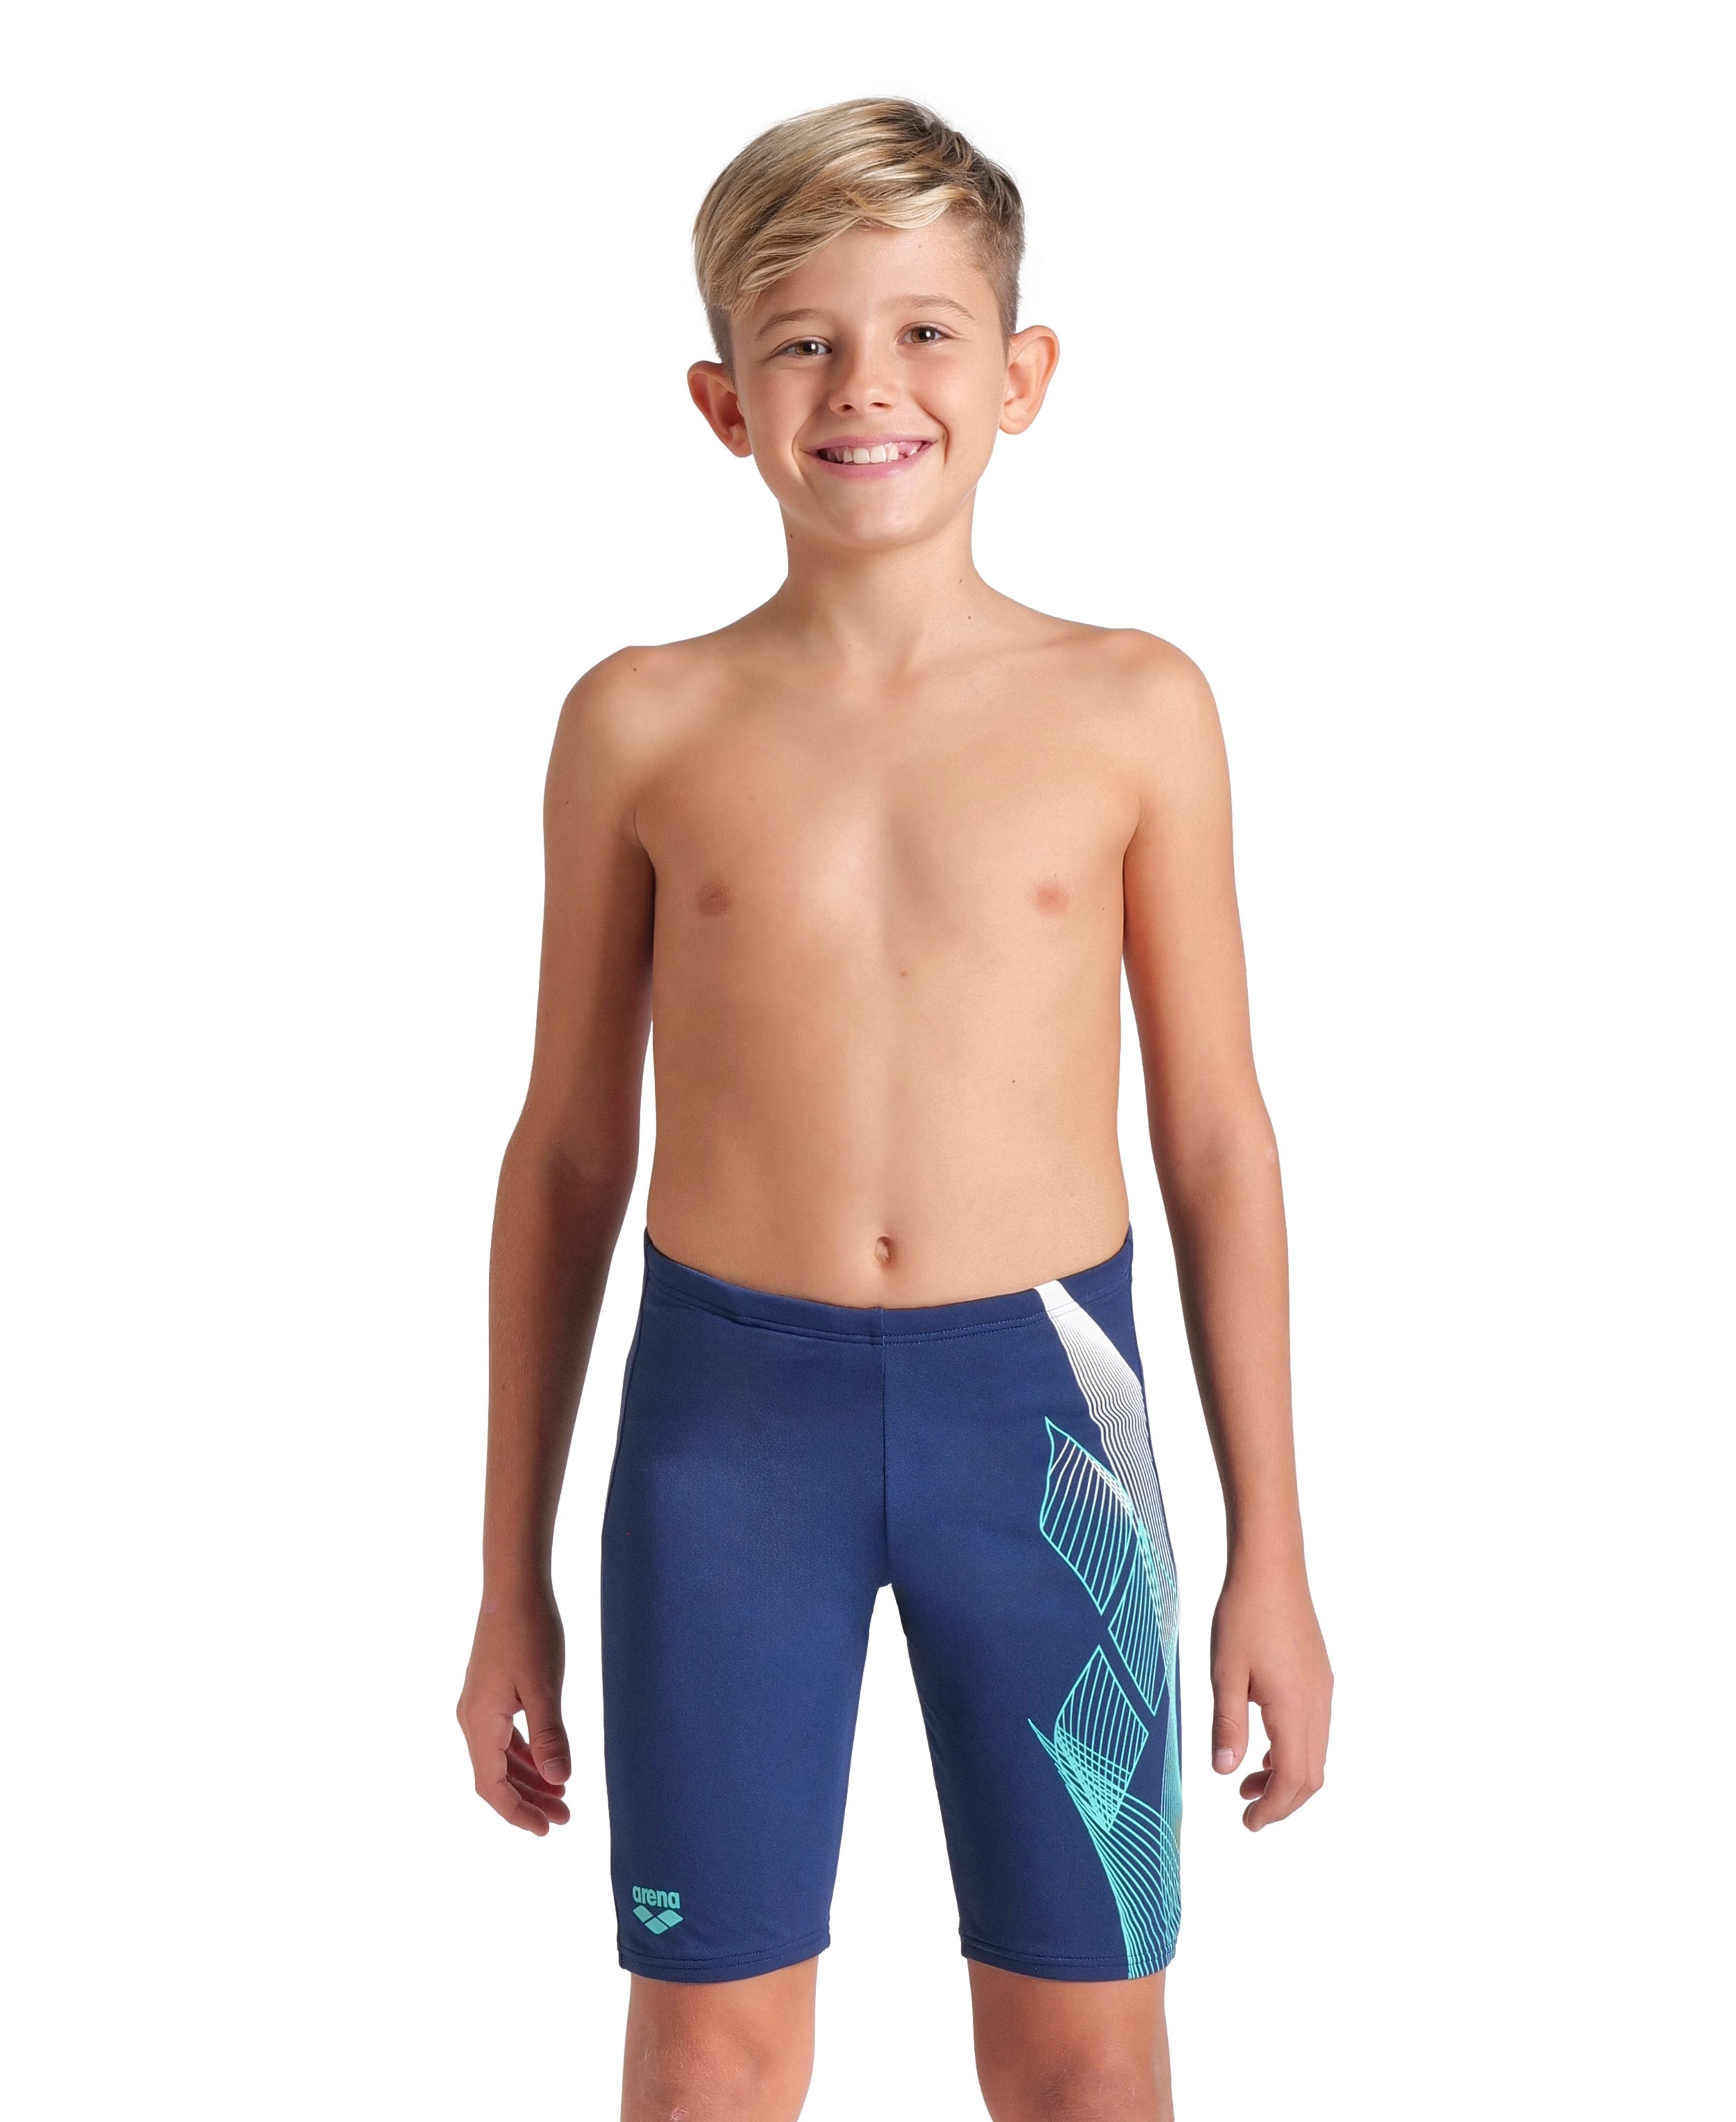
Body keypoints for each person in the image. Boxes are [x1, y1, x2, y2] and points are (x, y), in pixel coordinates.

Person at [457, 97, 1332, 2122]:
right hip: (722, 1439)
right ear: (721, 401)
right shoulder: (639, 719)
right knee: (707, 2061)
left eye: (927, 332)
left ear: (1023, 375)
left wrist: (1271, 1550)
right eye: (804, 342)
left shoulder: (1133, 707)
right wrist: (509, 1575)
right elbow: (567, 1152)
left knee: (1086, 2061)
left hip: (1049, 1428)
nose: (867, 385)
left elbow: (1217, 1140)